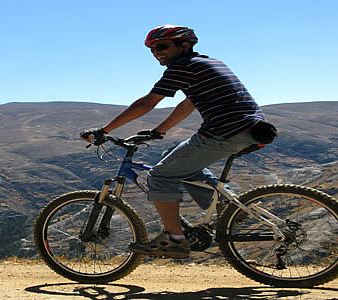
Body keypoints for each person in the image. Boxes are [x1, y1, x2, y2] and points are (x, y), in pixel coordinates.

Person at [80, 25, 272, 259]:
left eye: (162, 46)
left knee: (159, 176)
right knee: (174, 155)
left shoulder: (183, 66)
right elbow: (188, 104)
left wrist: (103, 130)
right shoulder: (207, 63)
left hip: (224, 132)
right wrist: (159, 131)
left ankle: (175, 240)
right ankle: (228, 208)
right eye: (151, 49)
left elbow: (147, 103)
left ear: (185, 45)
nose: (156, 52)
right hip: (248, 130)